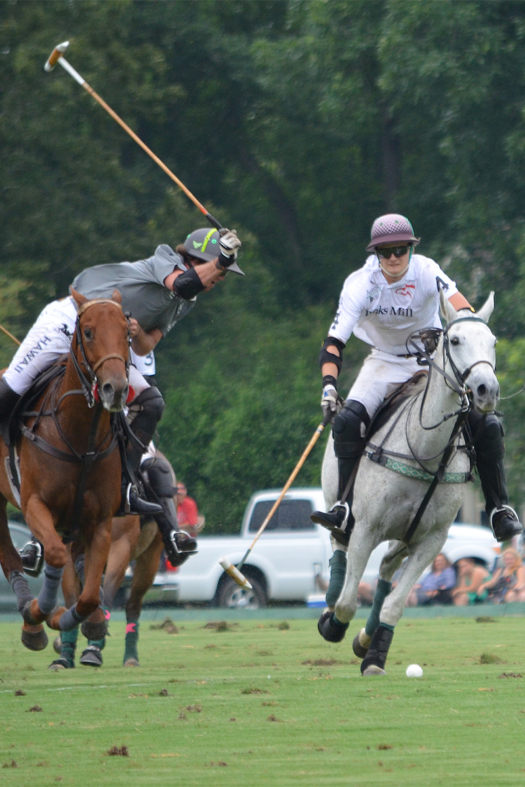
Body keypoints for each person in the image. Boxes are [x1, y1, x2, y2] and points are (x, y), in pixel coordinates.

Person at [0, 227, 243, 565]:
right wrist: (223, 258)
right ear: (192, 259)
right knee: (9, 388)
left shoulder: (187, 302)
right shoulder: (165, 261)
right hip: (70, 321)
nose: (221, 277)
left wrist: (138, 331)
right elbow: (184, 282)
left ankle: (125, 483)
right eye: (218, 270)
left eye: (223, 272)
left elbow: (146, 344)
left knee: (151, 401)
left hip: (112, 343)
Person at [311, 213, 522, 550]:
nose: (394, 258)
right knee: (348, 421)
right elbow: (334, 343)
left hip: (433, 360)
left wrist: (472, 347)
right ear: (376, 254)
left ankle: (499, 508)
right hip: (383, 362)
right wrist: (329, 387)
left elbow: (461, 310)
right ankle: (344, 507)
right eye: (386, 252)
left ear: (411, 249)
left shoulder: (427, 270)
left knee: (488, 424)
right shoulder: (360, 285)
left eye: (401, 250)